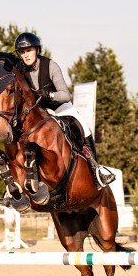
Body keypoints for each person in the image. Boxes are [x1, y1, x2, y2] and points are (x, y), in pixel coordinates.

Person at [14, 32, 115, 189]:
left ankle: (96, 169)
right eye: (22, 52)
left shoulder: (50, 66)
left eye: (29, 50)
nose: (26, 55)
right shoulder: (20, 71)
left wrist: (49, 94)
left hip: (60, 108)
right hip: (39, 113)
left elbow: (66, 95)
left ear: (37, 50)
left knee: (83, 126)